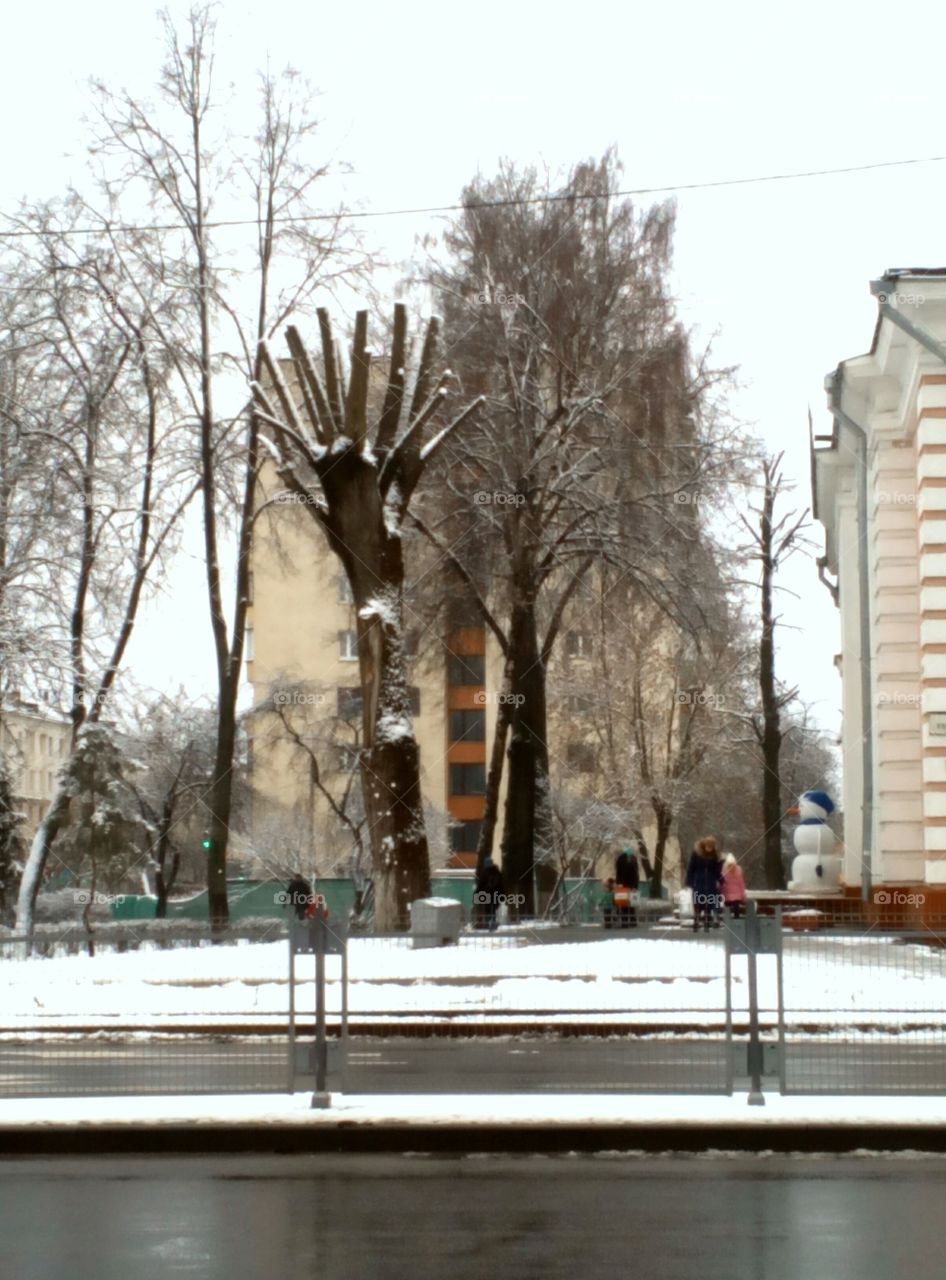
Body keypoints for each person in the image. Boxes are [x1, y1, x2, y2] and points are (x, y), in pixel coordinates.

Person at [685, 837, 722, 933]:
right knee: (698, 902)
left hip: (710, 882)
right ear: (704, 845)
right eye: (708, 846)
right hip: (699, 881)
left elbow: (716, 870)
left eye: (711, 847)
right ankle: (696, 921)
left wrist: (721, 879)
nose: (710, 848)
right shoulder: (696, 854)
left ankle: (706, 922)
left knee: (709, 903)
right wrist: (689, 881)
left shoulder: (714, 856)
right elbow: (691, 868)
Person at [474, 857, 504, 931]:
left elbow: (480, 885)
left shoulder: (485, 873)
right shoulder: (497, 872)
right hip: (496, 895)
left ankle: (488, 923)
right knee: (493, 910)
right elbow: (501, 885)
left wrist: (477, 893)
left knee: (487, 909)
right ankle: (492, 922)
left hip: (487, 895)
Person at [614, 847, 640, 928]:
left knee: (625, 903)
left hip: (624, 885)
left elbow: (619, 872)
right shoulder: (632, 859)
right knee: (630, 903)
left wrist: (619, 883)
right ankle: (632, 921)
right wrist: (635, 885)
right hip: (630, 885)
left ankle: (626, 921)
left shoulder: (621, 859)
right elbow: (636, 873)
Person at [720, 852, 747, 919]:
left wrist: (720, 892)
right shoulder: (738, 870)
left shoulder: (723, 870)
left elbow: (721, 883)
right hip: (736, 895)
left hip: (727, 894)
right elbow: (741, 884)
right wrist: (743, 895)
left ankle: (728, 921)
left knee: (727, 909)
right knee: (736, 909)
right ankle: (736, 922)